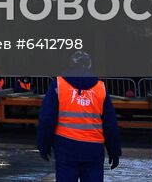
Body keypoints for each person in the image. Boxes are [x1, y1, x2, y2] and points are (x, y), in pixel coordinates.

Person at [37, 51, 121, 182]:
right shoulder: (100, 88)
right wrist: (114, 151)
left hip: (66, 148)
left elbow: (47, 119)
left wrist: (44, 145)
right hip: (93, 150)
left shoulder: (58, 84)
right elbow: (110, 124)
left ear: (71, 65)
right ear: (89, 66)